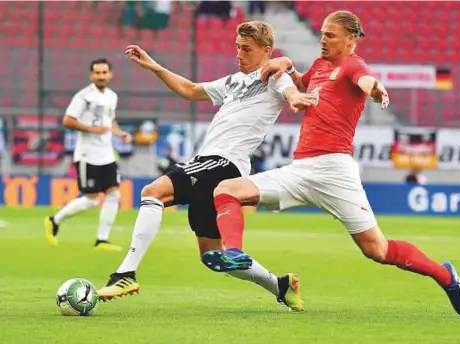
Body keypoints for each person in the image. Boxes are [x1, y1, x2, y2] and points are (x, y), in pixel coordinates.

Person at [201, 11, 460, 316]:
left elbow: (366, 80)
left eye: (330, 35)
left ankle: (446, 277)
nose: (323, 40)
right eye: (321, 34)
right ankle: (235, 253)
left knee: (377, 249)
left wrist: (376, 89)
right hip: (301, 169)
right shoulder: (319, 66)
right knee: (227, 189)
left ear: (350, 39)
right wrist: (284, 62)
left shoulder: (353, 65)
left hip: (335, 171)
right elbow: (295, 84)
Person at [97, 21, 315, 311]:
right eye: (237, 46)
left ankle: (125, 273)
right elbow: (189, 90)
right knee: (212, 256)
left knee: (153, 191)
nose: (239, 53)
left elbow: (290, 90)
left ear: (266, 51)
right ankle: (280, 285)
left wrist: (296, 96)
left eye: (246, 49)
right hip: (209, 163)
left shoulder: (274, 77)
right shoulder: (233, 81)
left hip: (225, 164)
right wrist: (155, 67)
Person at [44, 58, 131, 252]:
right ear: (91, 75)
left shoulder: (112, 96)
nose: (101, 76)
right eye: (97, 73)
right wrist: (92, 129)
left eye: (104, 72)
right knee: (91, 200)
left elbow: (110, 121)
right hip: (87, 154)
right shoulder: (84, 96)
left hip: (107, 154)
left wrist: (118, 132)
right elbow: (68, 120)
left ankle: (102, 240)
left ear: (110, 74)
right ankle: (54, 220)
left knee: (113, 194)